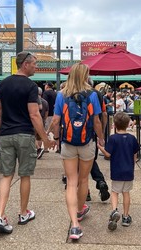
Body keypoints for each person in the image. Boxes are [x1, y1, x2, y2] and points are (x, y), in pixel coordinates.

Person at [0, 52, 55, 234]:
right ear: (26, 64)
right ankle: (23, 213)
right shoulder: (30, 86)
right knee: (25, 175)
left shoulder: (2, 83)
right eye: (35, 64)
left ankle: (0, 215)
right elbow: (34, 114)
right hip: (25, 135)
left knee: (6, 175)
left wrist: (1, 130)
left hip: (6, 134)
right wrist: (44, 138)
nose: (36, 67)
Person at [48, 62, 104, 240]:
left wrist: (54, 137)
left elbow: (56, 121)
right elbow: (96, 121)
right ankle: (80, 210)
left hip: (68, 142)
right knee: (83, 179)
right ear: (85, 76)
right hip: (87, 142)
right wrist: (101, 138)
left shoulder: (61, 95)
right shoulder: (93, 94)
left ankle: (74, 225)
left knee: (71, 182)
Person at [97, 112, 139, 231]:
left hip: (117, 170)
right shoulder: (132, 138)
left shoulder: (113, 138)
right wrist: (132, 165)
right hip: (128, 170)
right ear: (127, 124)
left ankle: (115, 210)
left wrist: (100, 147)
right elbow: (135, 155)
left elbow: (108, 154)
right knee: (126, 193)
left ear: (114, 125)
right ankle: (126, 216)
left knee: (115, 192)